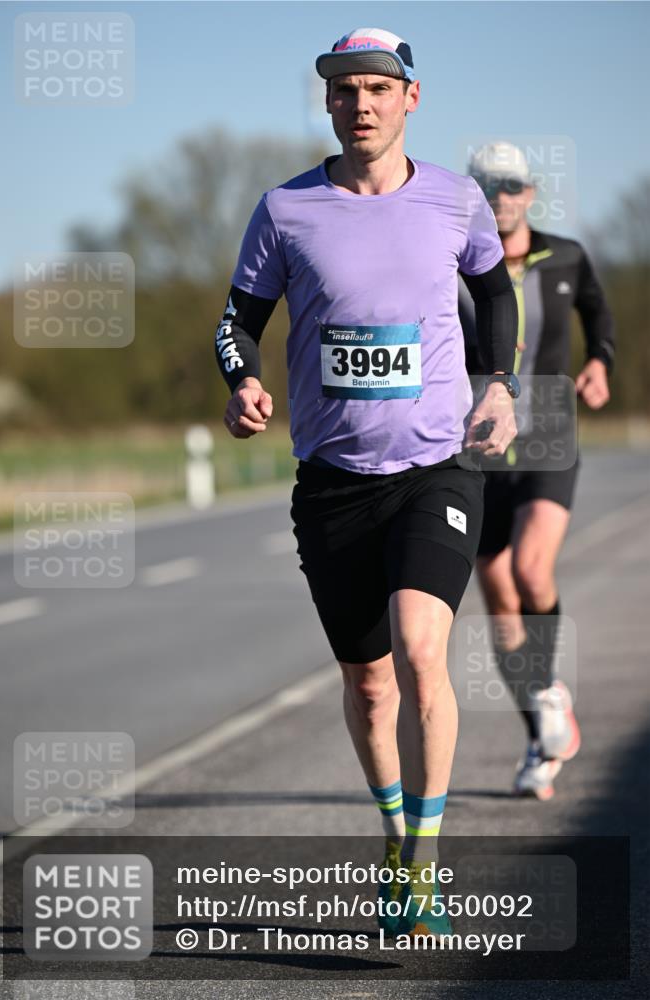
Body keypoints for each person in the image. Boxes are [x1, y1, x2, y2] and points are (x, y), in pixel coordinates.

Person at [215, 29, 519, 936]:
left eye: (377, 89)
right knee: (370, 680)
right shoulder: (285, 209)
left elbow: (495, 294)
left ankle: (423, 858)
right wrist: (241, 380)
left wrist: (497, 383)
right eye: (343, 89)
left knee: (423, 653)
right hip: (334, 480)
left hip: (436, 466)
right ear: (328, 103)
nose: (360, 103)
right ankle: (392, 831)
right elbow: (237, 321)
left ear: (409, 99)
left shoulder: (453, 201)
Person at [460, 141, 615, 800]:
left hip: (549, 425)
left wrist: (599, 360)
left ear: (529, 192)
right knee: (498, 598)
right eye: (487, 184)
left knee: (530, 570)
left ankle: (548, 692)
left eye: (512, 184)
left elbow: (596, 313)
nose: (500, 195)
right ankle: (539, 736)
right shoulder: (454, 261)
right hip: (476, 437)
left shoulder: (567, 256)